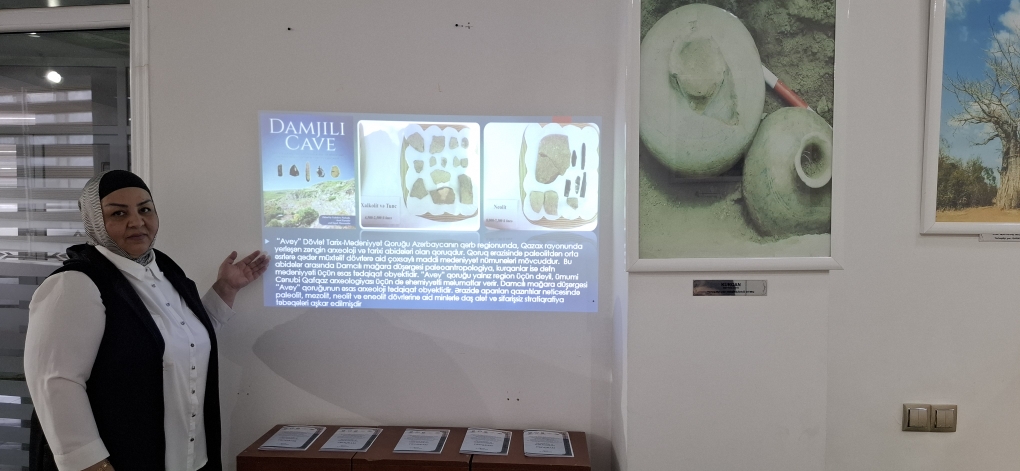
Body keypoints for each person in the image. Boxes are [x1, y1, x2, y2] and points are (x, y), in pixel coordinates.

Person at [23, 170, 269, 471]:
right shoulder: (75, 283)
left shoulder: (165, 269)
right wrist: (94, 466)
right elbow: (56, 383)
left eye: (145, 209)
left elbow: (181, 342)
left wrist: (226, 289)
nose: (137, 221)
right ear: (95, 221)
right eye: (119, 213)